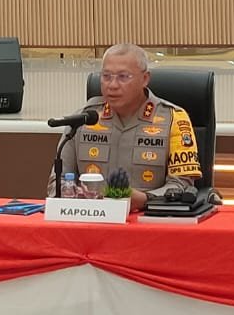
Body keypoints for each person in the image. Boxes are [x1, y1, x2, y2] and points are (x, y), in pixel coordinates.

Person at [47, 43, 201, 207]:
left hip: (148, 216)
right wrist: (80, 195)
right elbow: (56, 184)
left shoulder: (174, 119)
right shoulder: (82, 120)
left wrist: (145, 199)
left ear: (145, 79)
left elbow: (182, 185)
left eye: (123, 77)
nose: (112, 85)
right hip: (91, 215)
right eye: (106, 76)